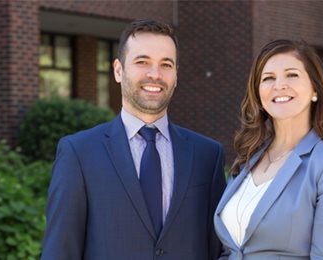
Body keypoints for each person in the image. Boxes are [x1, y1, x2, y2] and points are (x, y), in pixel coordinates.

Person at [41, 19, 226, 260]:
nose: (155, 74)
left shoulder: (207, 155)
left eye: (166, 65)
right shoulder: (78, 153)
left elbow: (217, 249)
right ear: (118, 70)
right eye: (142, 62)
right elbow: (60, 252)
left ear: (176, 75)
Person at [214, 39, 323, 260]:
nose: (279, 85)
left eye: (291, 75)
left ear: (315, 88)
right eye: (268, 78)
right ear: (259, 94)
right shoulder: (247, 160)